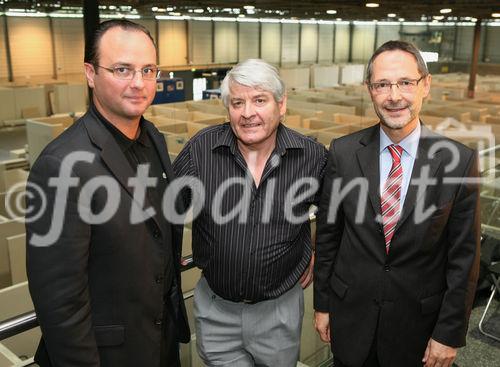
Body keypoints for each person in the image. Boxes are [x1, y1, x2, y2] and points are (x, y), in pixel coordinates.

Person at [25, 20, 189, 367]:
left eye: (148, 70)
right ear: (90, 73)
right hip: (107, 354)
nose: (139, 83)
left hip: (159, 342)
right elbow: (60, 302)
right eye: (122, 70)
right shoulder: (62, 164)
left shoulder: (154, 140)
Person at [313, 40, 480, 367]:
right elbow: (329, 235)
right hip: (351, 320)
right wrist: (323, 304)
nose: (394, 96)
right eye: (382, 84)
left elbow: (465, 258)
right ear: (369, 89)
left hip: (417, 329)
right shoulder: (343, 153)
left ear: (425, 85)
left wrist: (449, 333)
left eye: (405, 82)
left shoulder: (458, 162)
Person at [174, 58, 327, 366]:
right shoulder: (201, 149)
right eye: (237, 102)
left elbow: (337, 214)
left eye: (260, 100)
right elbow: (165, 212)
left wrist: (317, 246)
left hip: (279, 313)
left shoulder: (311, 156)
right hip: (217, 311)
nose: (247, 114)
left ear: (281, 105)